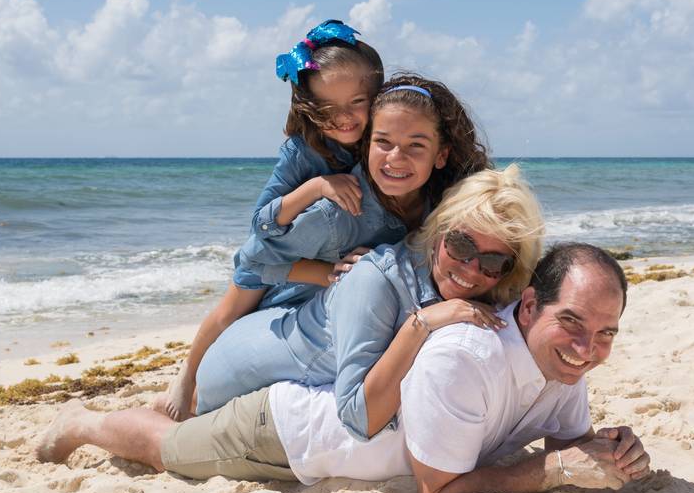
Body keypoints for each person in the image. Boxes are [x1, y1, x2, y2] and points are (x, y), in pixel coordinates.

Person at [37, 243, 651, 493]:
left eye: (606, 334)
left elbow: (569, 444)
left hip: (326, 440)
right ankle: (83, 422)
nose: (587, 347)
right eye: (572, 323)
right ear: (527, 307)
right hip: (288, 434)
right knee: (166, 447)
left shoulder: (564, 368)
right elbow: (438, 489)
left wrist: (610, 449)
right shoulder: (467, 356)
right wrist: (550, 470)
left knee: (177, 436)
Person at [193, 164, 542, 441]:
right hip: (229, 378)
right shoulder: (375, 281)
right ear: (438, 232)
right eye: (461, 246)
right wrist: (422, 323)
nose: (471, 269)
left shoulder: (486, 287)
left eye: (494, 262)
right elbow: (358, 419)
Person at [155, 19, 384, 421]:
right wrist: (316, 187)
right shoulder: (300, 152)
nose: (343, 118)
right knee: (228, 314)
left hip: (312, 258)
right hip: (266, 256)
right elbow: (260, 224)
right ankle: (186, 376)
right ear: (308, 107)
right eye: (328, 108)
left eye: (356, 103)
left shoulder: (375, 145)